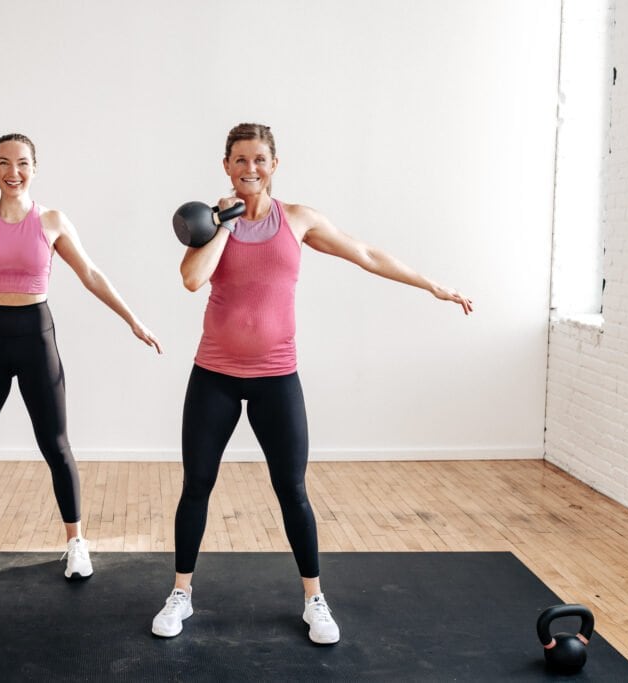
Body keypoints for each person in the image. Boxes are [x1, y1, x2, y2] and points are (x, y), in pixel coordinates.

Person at [151, 123, 473, 644]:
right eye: (239, 160)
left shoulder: (298, 220)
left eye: (259, 159)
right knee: (197, 485)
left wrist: (431, 284)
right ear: (226, 166)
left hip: (277, 376)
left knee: (292, 490)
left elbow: (364, 253)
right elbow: (191, 279)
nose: (249, 169)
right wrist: (226, 223)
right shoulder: (211, 223)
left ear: (274, 164)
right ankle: (181, 593)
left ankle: (314, 598)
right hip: (214, 375)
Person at [0, 133, 162, 581]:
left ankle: (76, 544)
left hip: (36, 336)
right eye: (3, 164)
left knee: (55, 444)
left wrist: (132, 319)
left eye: (22, 163)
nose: (13, 172)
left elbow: (90, 272)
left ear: (35, 168)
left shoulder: (51, 220)